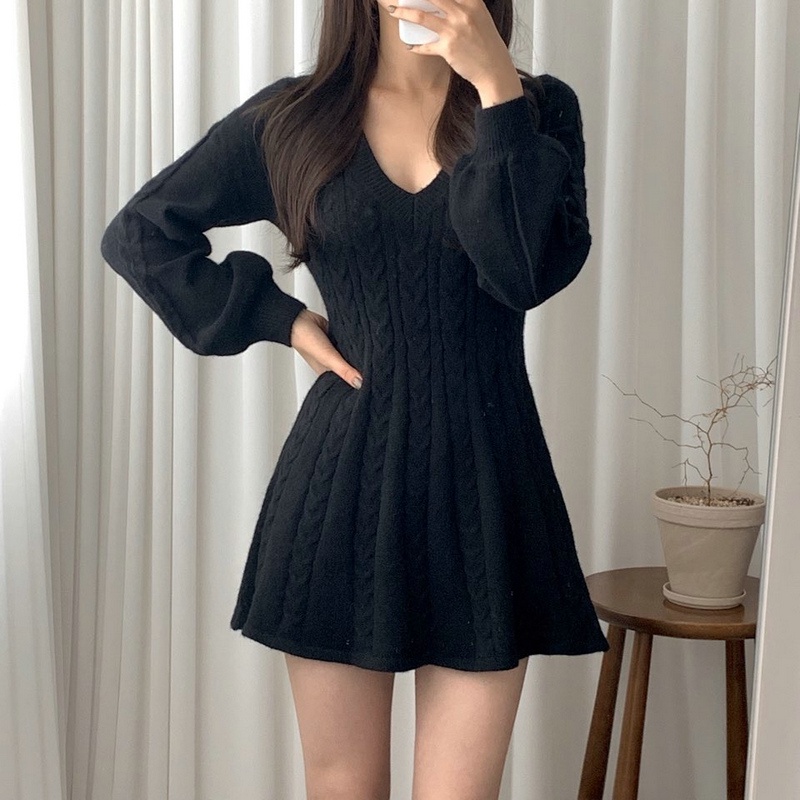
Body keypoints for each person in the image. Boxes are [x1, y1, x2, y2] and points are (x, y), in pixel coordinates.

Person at [101, 1, 609, 797]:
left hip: (489, 491)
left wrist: (496, 90)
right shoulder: (296, 119)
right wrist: (279, 319)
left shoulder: (538, 111)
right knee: (343, 786)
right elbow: (140, 234)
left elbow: (522, 274)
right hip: (341, 490)